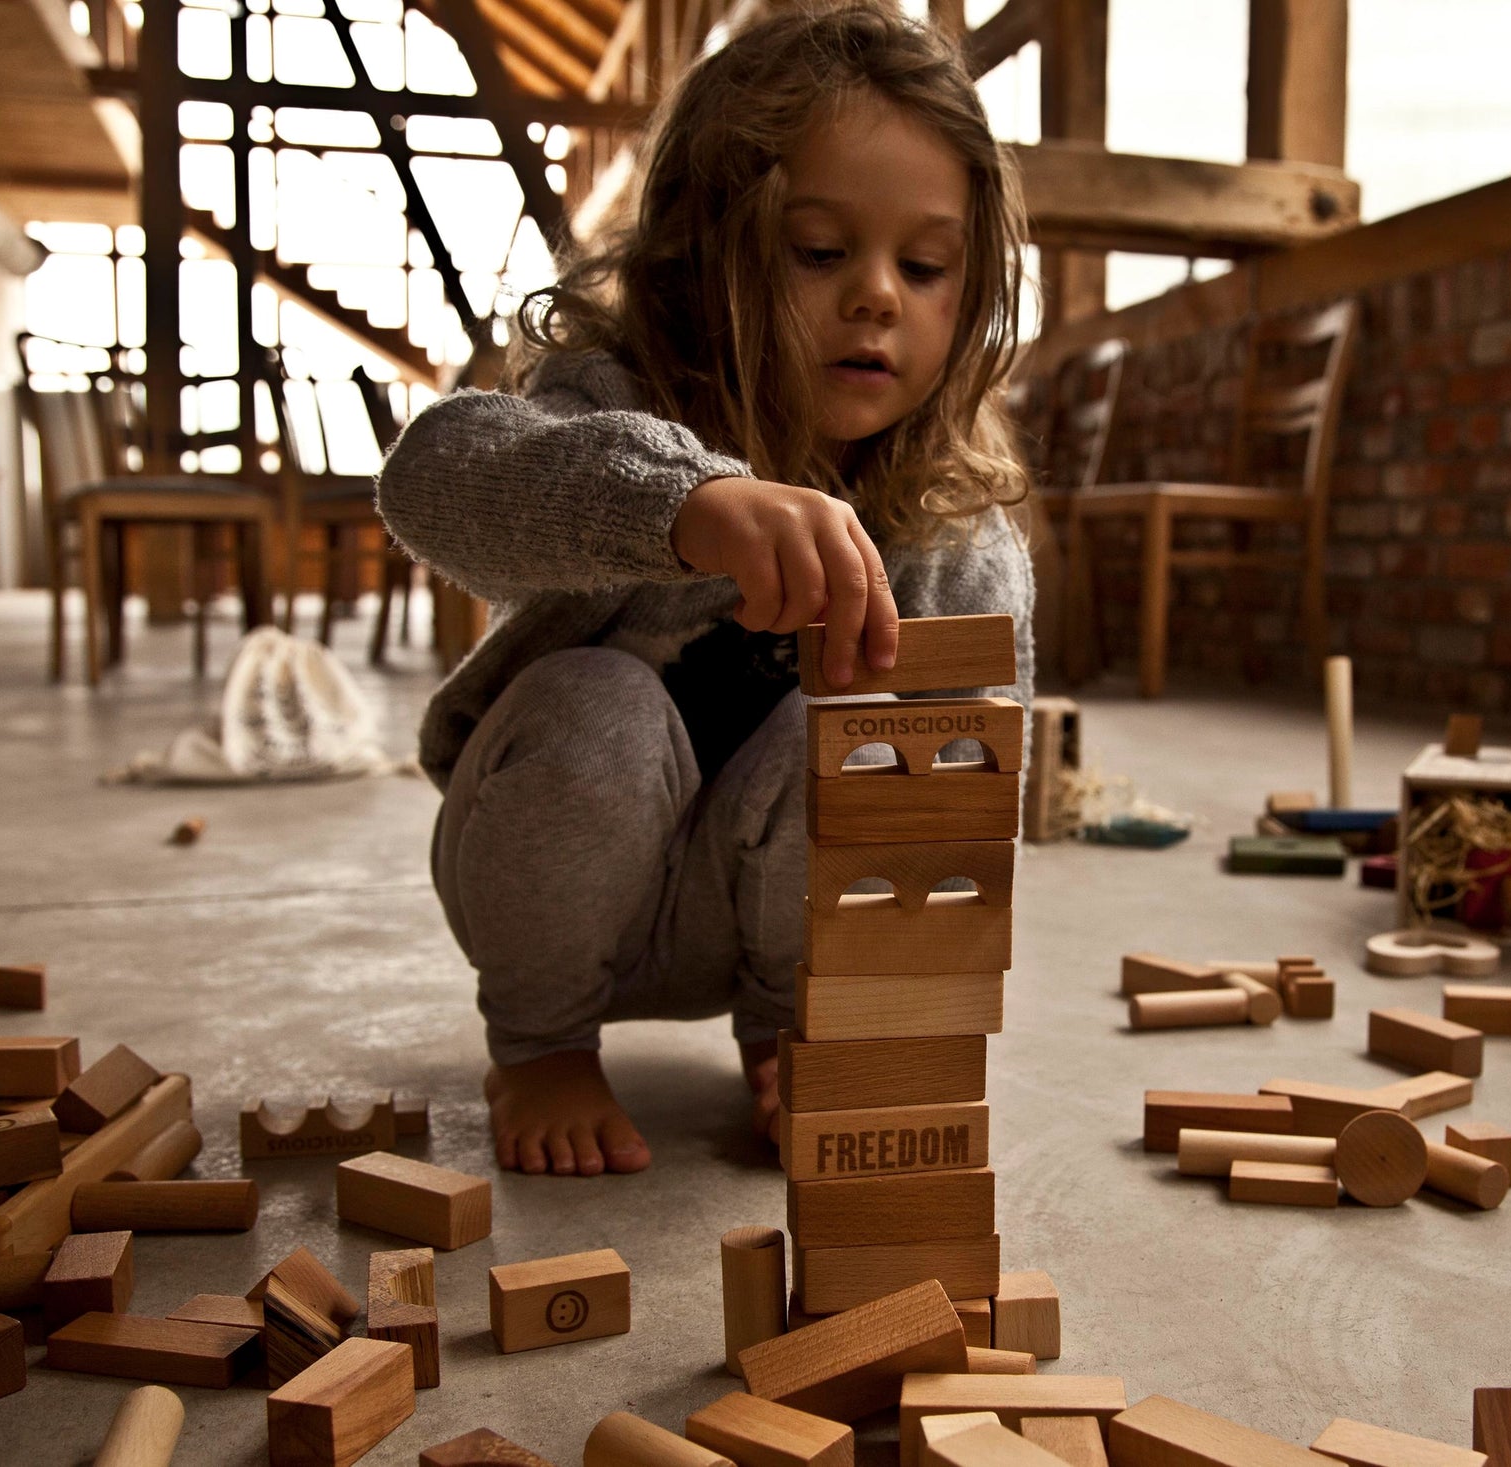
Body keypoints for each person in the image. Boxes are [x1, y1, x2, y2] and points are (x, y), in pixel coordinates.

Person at [377, 4, 1035, 1178]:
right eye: (820, 252)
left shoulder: (950, 523)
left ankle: (792, 1027)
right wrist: (681, 508)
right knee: (600, 705)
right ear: (701, 253)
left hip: (766, 920)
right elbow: (434, 477)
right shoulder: (617, 403)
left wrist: (888, 1014)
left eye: (925, 267)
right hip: (554, 883)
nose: (877, 296)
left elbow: (967, 801)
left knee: (869, 741)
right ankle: (539, 1047)